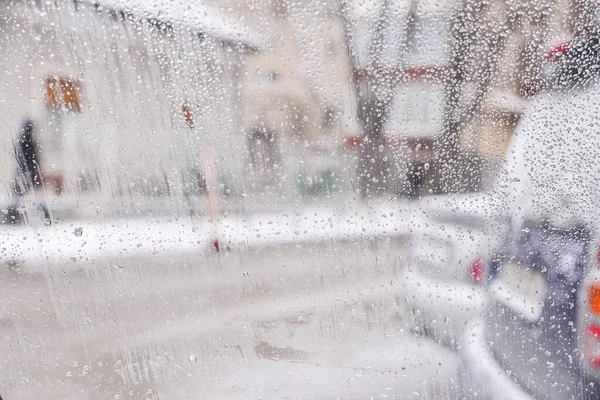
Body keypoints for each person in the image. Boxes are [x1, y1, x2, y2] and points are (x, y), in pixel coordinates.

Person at [6, 118, 50, 225]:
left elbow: (21, 158)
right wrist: (36, 169)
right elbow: (33, 158)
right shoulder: (27, 142)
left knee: (20, 194)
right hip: (29, 171)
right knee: (34, 194)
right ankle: (44, 214)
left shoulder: (23, 141)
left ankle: (13, 216)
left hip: (26, 171)